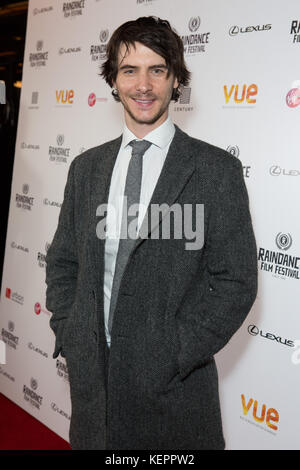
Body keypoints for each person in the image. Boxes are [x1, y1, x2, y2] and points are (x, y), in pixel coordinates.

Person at [45, 16, 258, 450]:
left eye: (157, 69)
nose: (143, 85)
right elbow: (63, 261)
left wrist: (175, 353)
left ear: (175, 78)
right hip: (92, 385)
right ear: (114, 80)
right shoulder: (86, 169)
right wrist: (70, 330)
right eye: (129, 70)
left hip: (173, 389)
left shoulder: (216, 171)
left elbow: (236, 281)